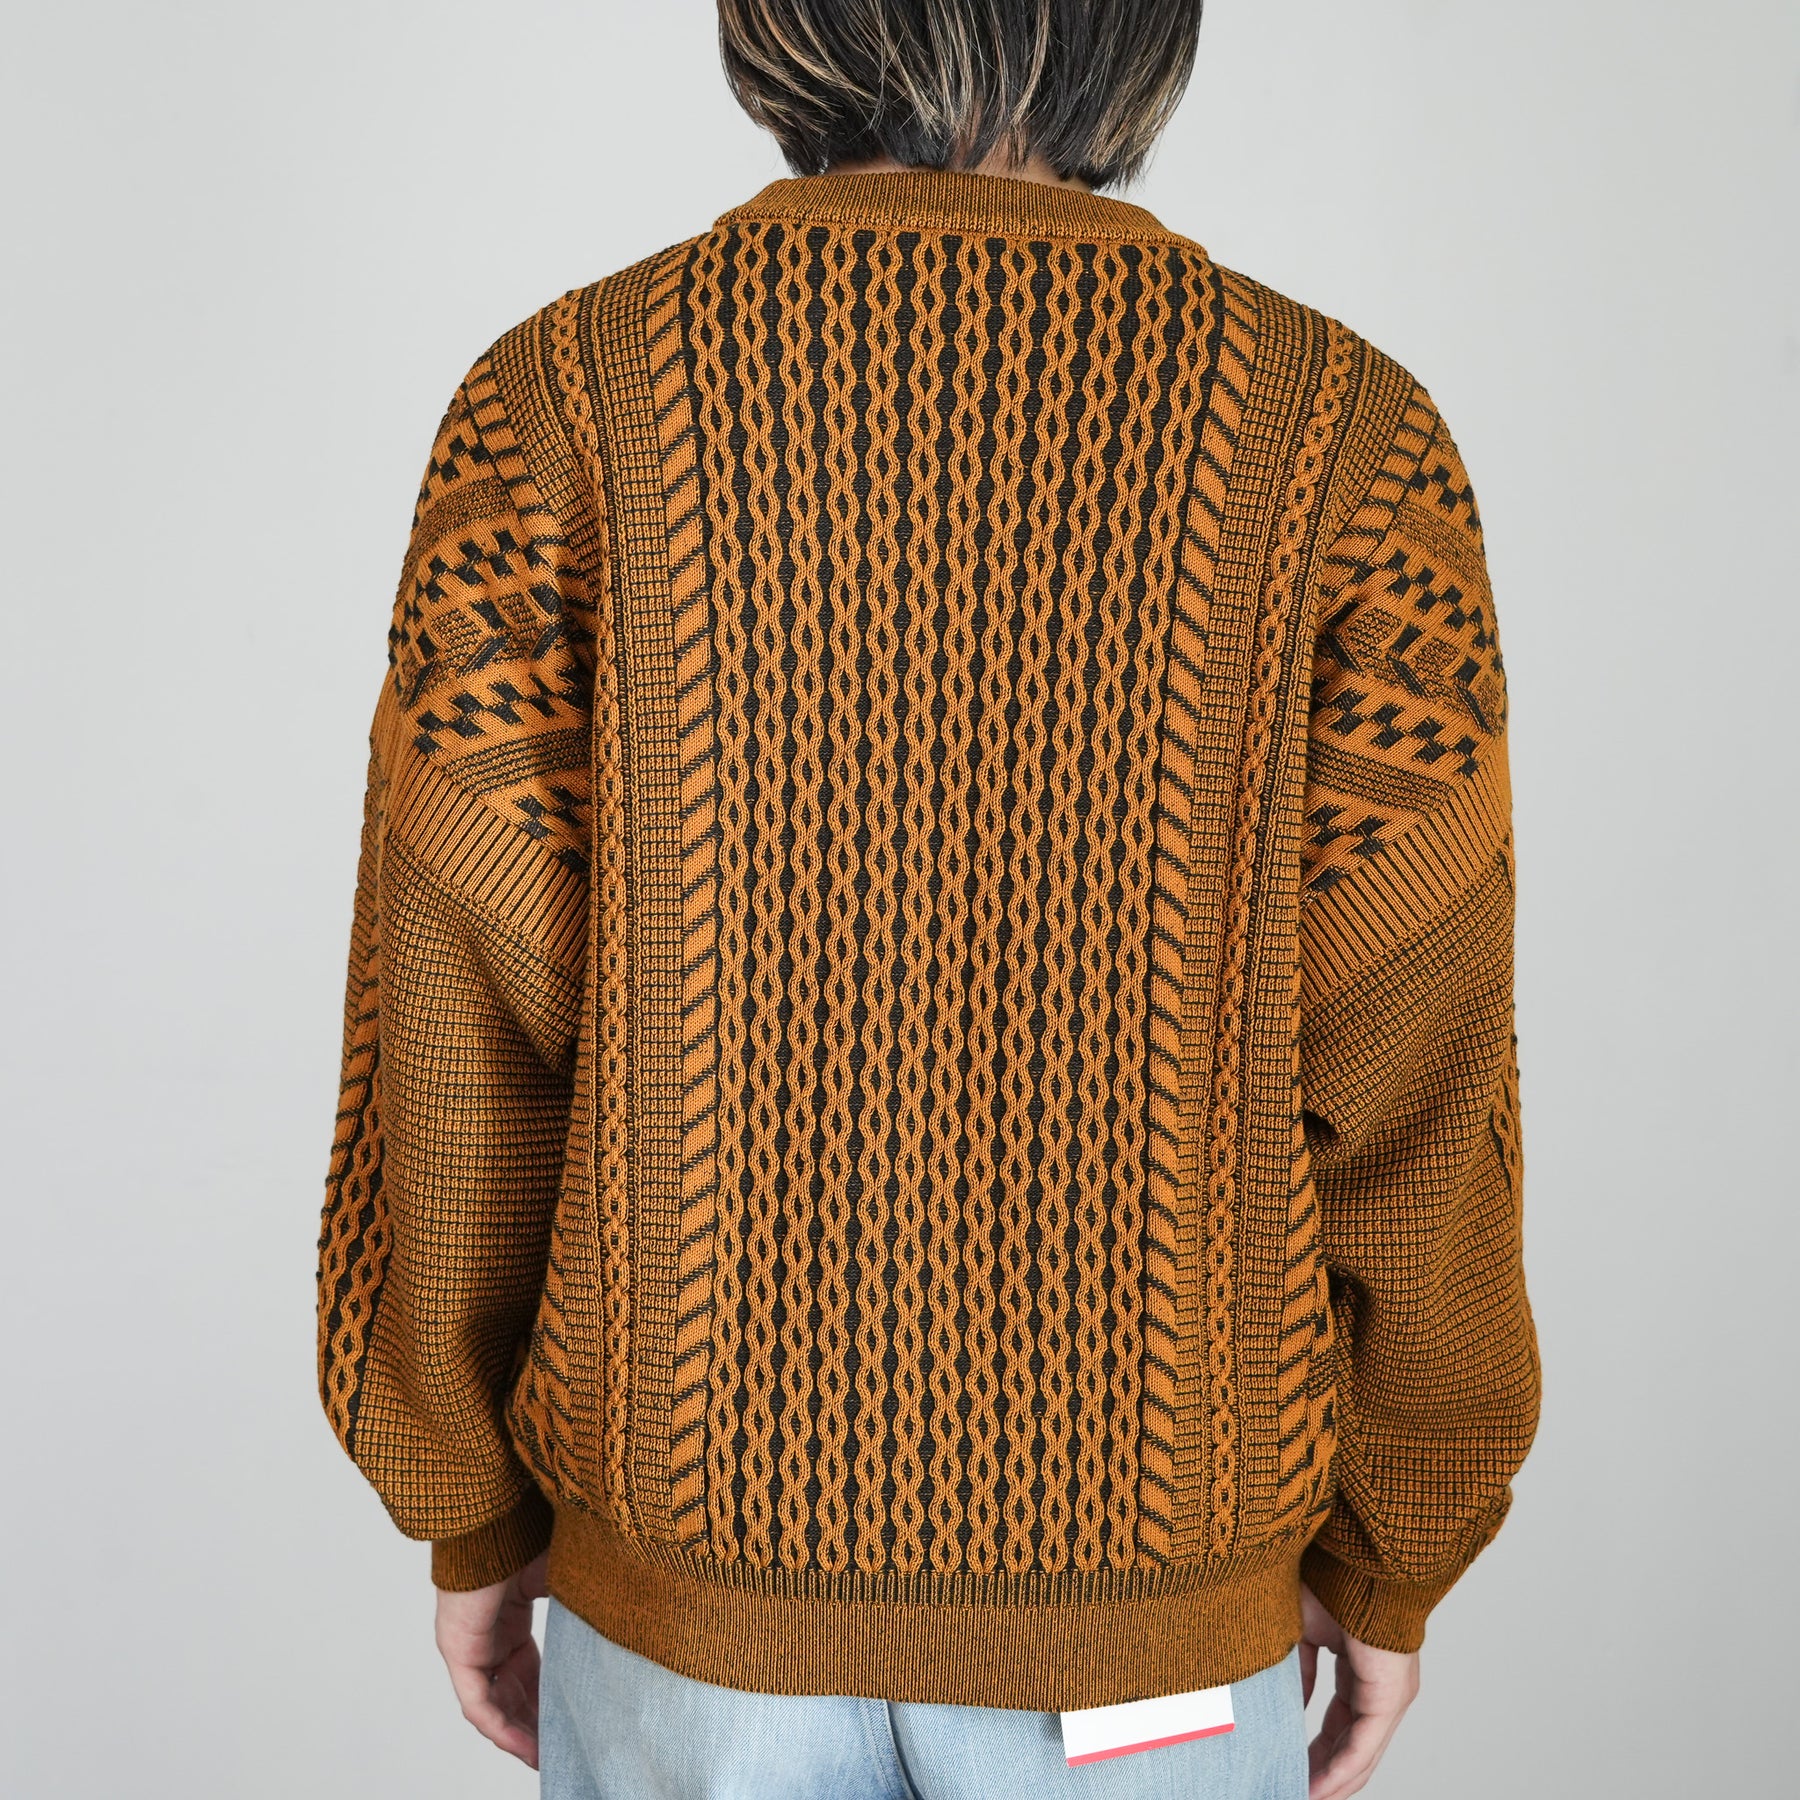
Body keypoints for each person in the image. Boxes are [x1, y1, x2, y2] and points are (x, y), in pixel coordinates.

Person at [315, 3, 1540, 1794]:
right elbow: (1417, 1072)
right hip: (1150, 1643)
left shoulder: (561, 405)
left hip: (685, 1620)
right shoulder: (1343, 440)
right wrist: (1395, 1553)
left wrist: (470, 1515)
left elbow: (459, 1039)